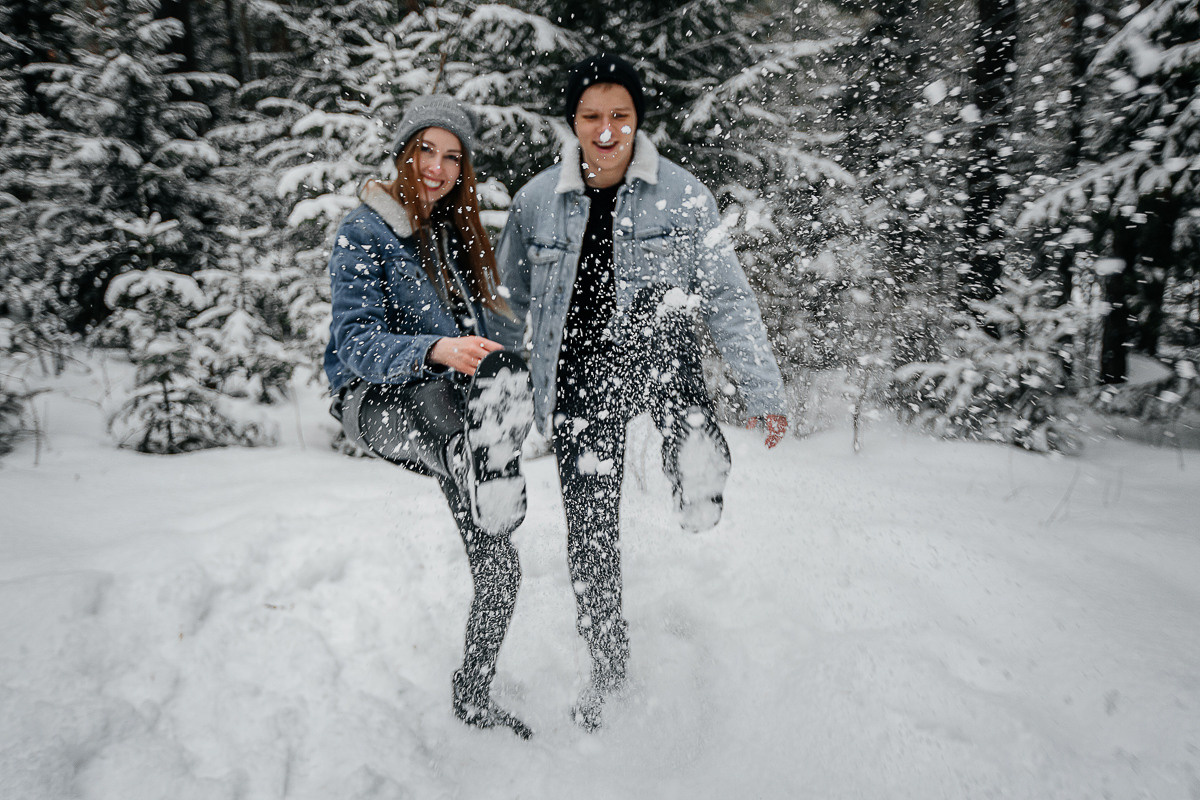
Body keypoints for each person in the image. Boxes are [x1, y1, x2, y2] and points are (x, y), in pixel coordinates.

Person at [489, 54, 790, 730]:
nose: (606, 131)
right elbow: (506, 304)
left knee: (666, 311)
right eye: (592, 117)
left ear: (637, 120)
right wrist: (491, 389)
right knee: (591, 532)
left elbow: (727, 296)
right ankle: (607, 664)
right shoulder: (538, 200)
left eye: (619, 116)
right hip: (579, 380)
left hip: (654, 356)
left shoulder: (682, 194)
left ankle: (691, 444)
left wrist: (762, 390)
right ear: (573, 122)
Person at [324, 94, 535, 739]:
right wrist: (434, 349)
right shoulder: (365, 231)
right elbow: (354, 342)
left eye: (451, 157)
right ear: (403, 153)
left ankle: (473, 693)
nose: (436, 168)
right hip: (376, 402)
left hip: (448, 411)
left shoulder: (457, 236)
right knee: (437, 400)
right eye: (425, 150)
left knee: (501, 570)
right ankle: (472, 460)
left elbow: (493, 334)